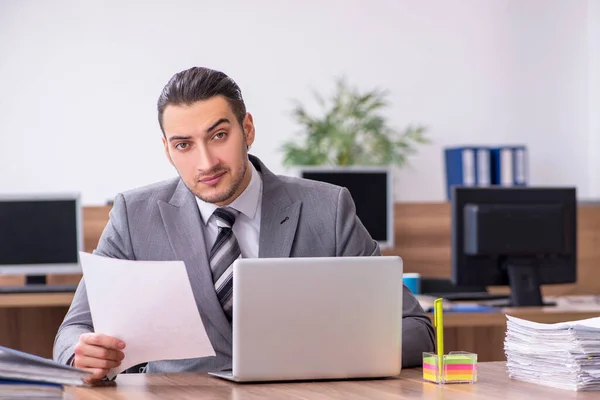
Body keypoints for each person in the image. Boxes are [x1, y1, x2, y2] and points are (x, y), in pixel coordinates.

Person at [53, 67, 435, 383]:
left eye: (219, 135)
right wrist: (84, 355)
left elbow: (416, 329)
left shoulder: (327, 208)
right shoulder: (134, 217)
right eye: (184, 145)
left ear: (247, 130)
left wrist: (325, 347)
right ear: (168, 150)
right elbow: (73, 333)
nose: (206, 162)